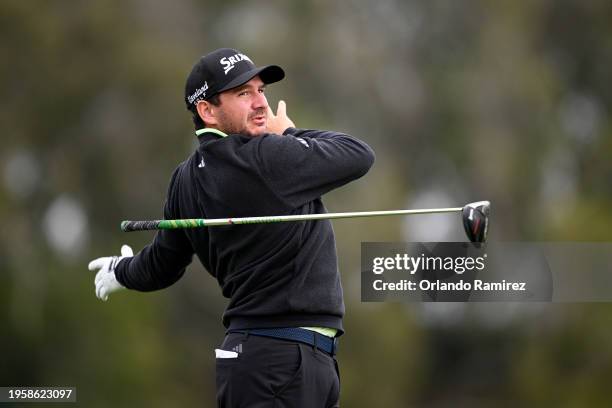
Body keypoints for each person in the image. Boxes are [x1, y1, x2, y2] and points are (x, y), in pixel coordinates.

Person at [88, 48, 375, 407]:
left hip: (272, 360)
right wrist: (287, 130)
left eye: (261, 90)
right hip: (280, 362)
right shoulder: (266, 157)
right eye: (243, 94)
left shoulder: (185, 178)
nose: (260, 104)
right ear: (206, 110)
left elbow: (163, 264)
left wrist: (123, 270)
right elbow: (358, 154)